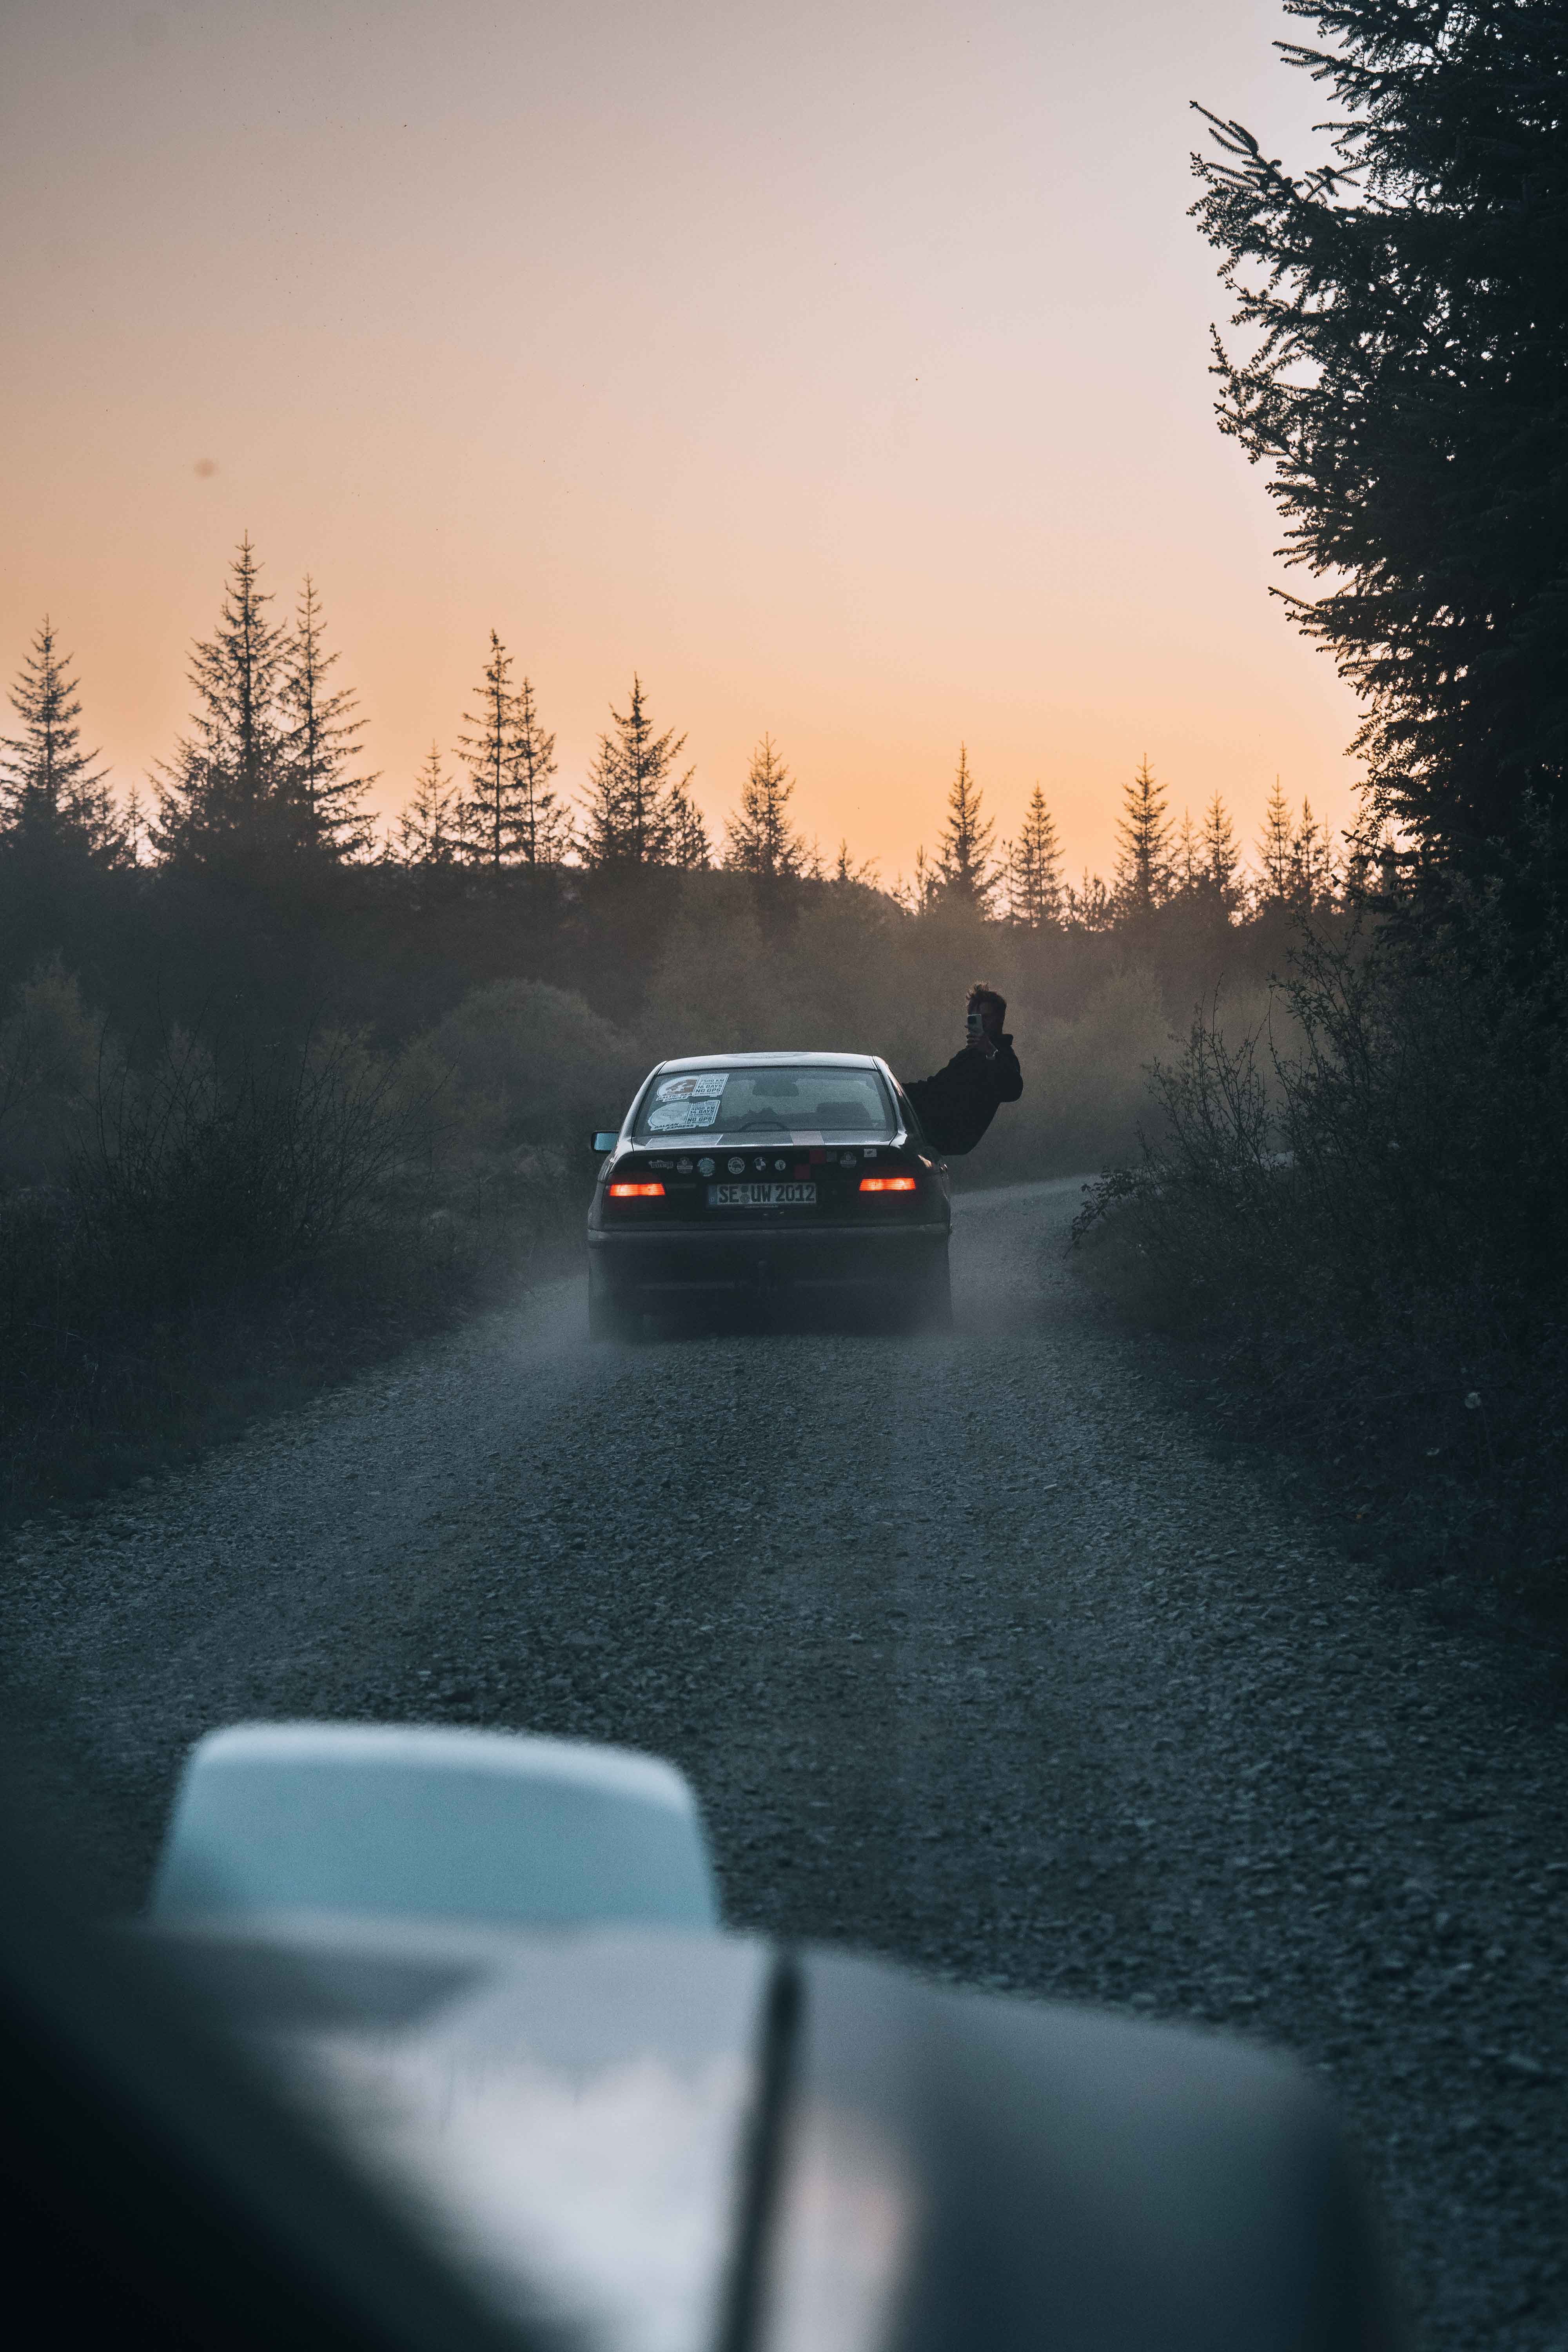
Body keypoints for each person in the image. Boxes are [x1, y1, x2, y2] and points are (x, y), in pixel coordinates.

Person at [902, 984, 1022, 1156]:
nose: (981, 1023)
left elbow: (1013, 1090)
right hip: (930, 1123)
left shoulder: (1003, 1056)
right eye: (975, 1019)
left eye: (986, 1018)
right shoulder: (967, 1056)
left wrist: (990, 1052)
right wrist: (894, 1089)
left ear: (1000, 1019)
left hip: (950, 1134)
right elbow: (934, 1087)